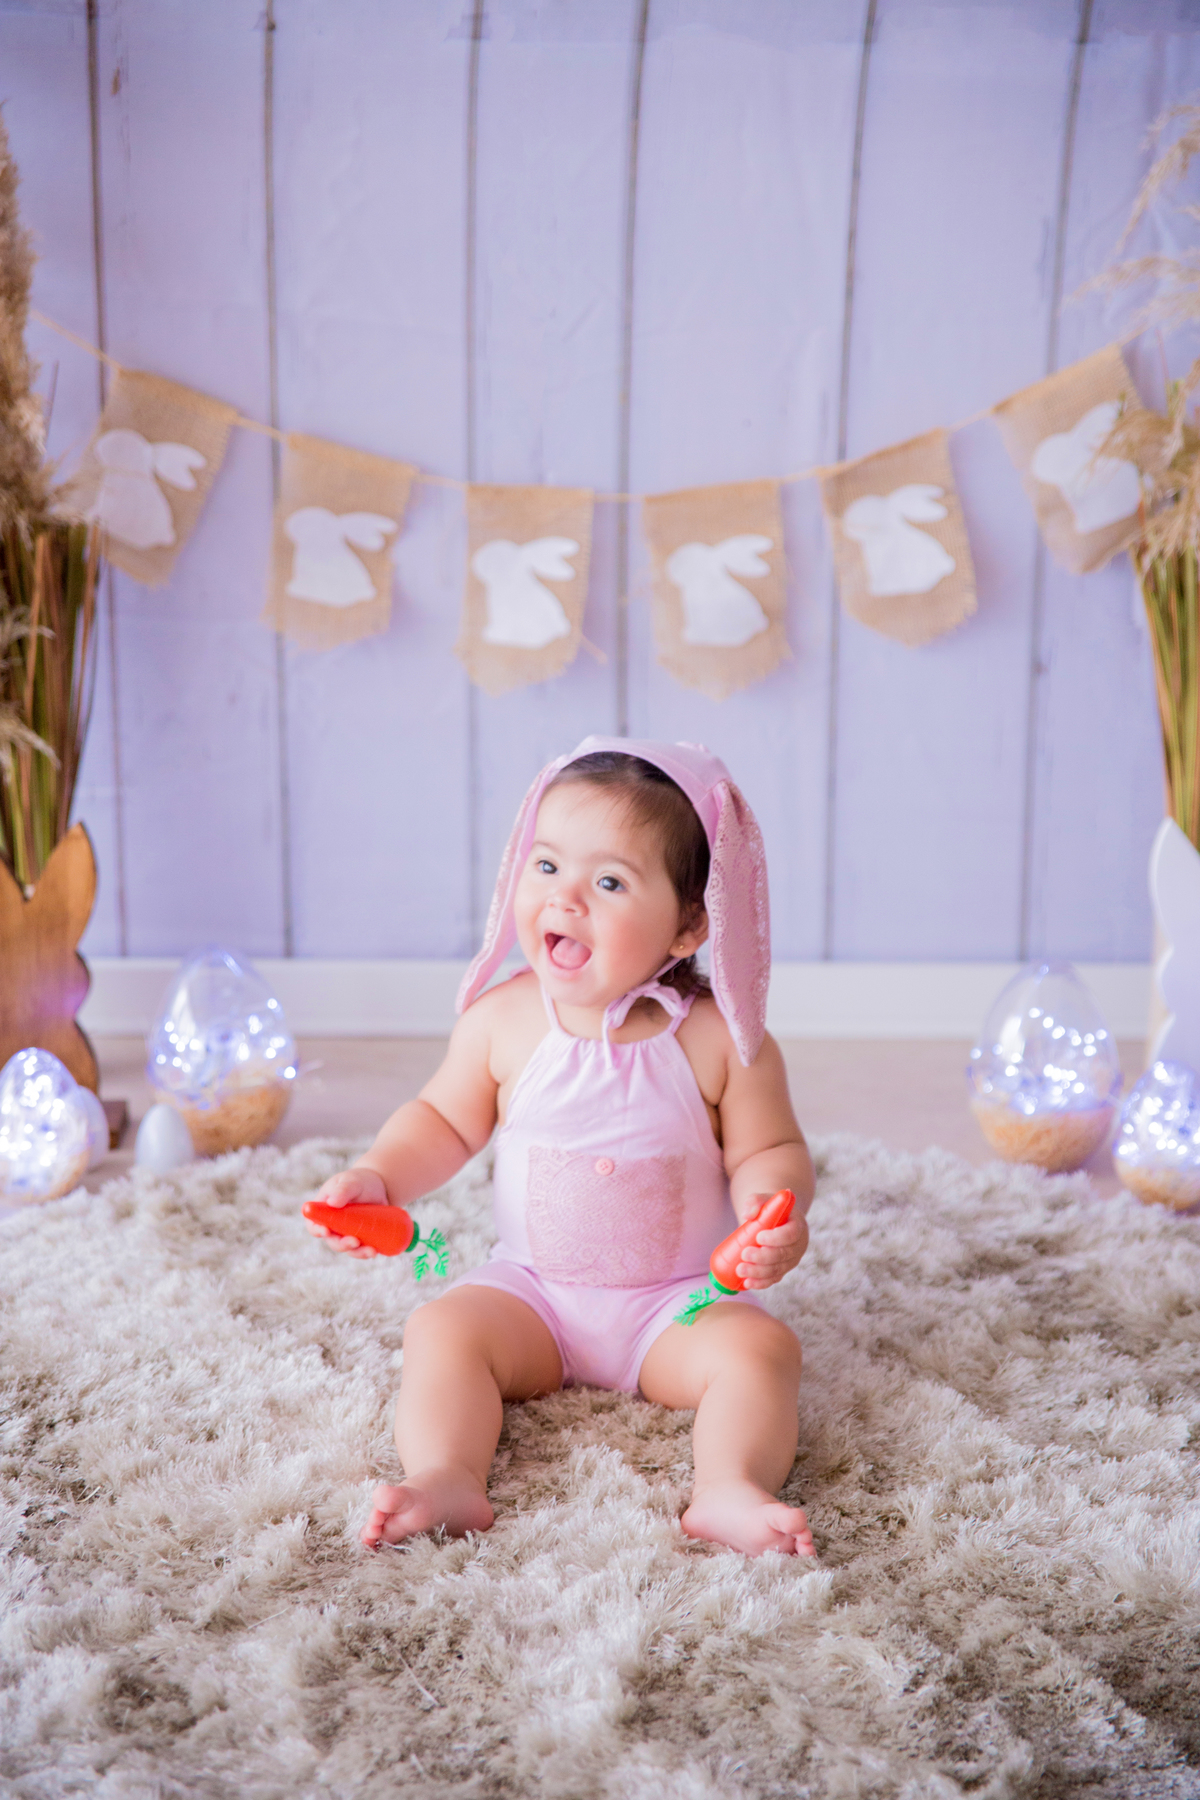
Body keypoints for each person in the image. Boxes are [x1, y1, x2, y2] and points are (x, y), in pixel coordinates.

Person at [307, 738, 816, 1557]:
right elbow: (442, 1119)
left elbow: (771, 1147)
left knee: (762, 1352)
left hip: (676, 1305)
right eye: (546, 867)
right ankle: (447, 1475)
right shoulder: (504, 1021)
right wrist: (380, 1176)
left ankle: (727, 1485)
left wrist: (770, 1208)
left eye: (609, 882)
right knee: (441, 1330)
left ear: (689, 924)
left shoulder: (723, 1041)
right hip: (533, 1292)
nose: (565, 898)